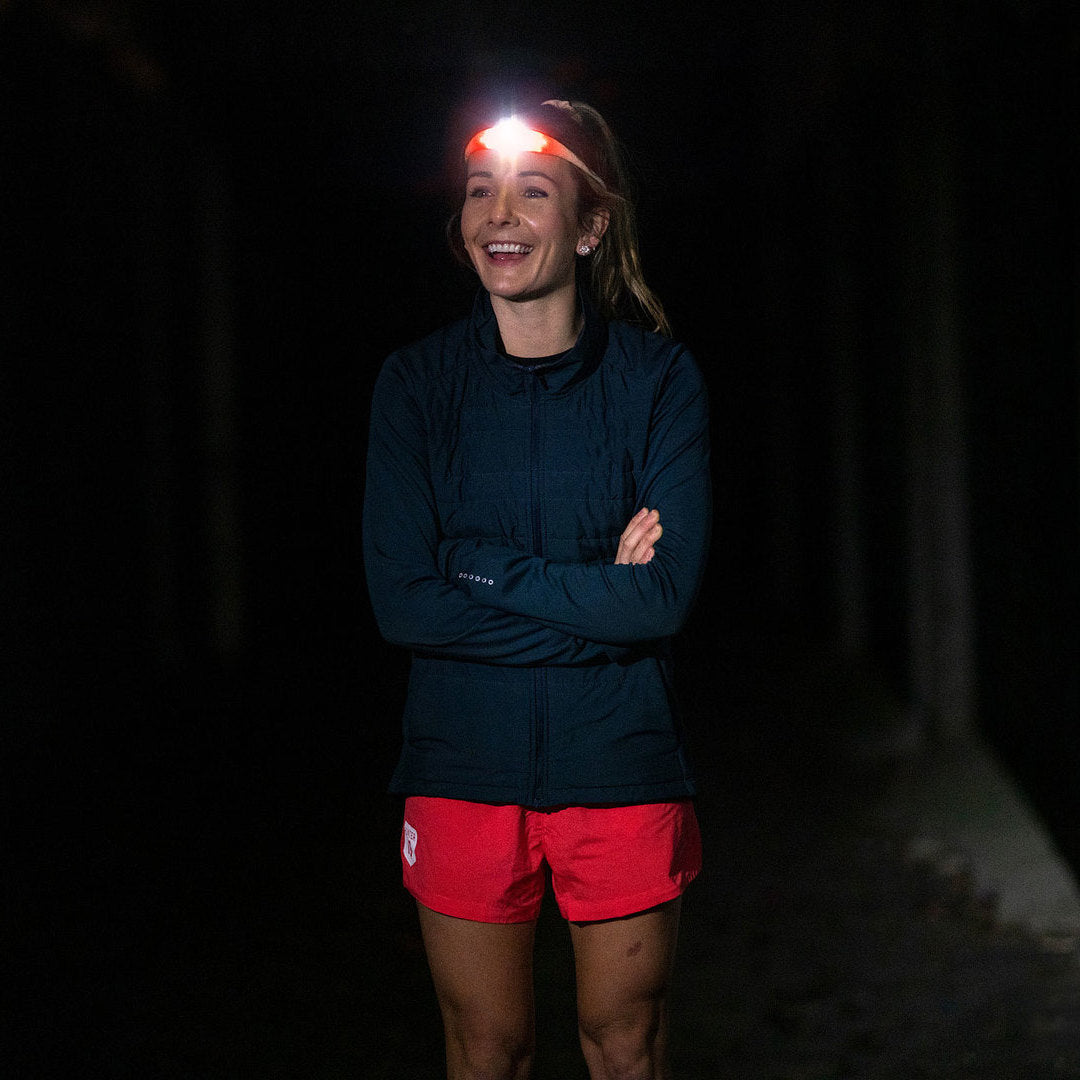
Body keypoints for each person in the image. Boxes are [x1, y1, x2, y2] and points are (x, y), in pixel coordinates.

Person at [363, 98, 711, 1080]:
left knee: (625, 1044)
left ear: (590, 226)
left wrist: (479, 570)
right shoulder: (417, 386)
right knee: (488, 1050)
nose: (499, 215)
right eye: (480, 192)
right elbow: (403, 602)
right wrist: (602, 604)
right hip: (461, 763)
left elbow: (663, 600)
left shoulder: (657, 381)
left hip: (622, 760)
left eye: (532, 191)